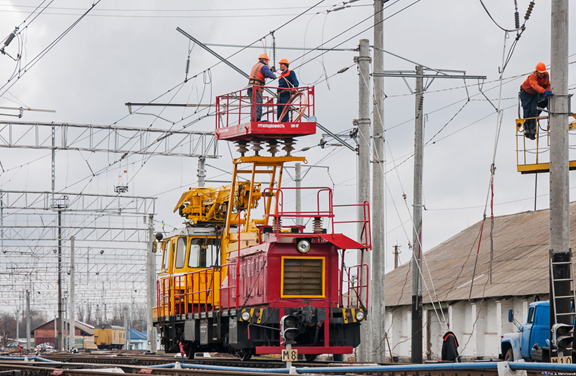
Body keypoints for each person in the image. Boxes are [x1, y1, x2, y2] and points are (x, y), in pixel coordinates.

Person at [520, 62, 552, 140]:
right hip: (526, 94)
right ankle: (527, 129)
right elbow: (535, 86)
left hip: (535, 94)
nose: (542, 74)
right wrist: (544, 91)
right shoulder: (532, 76)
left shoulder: (546, 75)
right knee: (527, 110)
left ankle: (533, 129)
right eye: (540, 73)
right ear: (536, 71)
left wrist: (547, 90)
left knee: (533, 110)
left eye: (543, 72)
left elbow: (547, 84)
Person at [248, 53, 276, 121]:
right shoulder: (263, 66)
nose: (267, 63)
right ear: (264, 60)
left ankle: (253, 119)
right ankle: (257, 119)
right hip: (256, 88)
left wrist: (270, 70)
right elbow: (271, 76)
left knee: (253, 104)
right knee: (258, 104)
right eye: (267, 61)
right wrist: (273, 73)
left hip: (250, 88)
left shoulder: (256, 65)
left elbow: (261, 74)